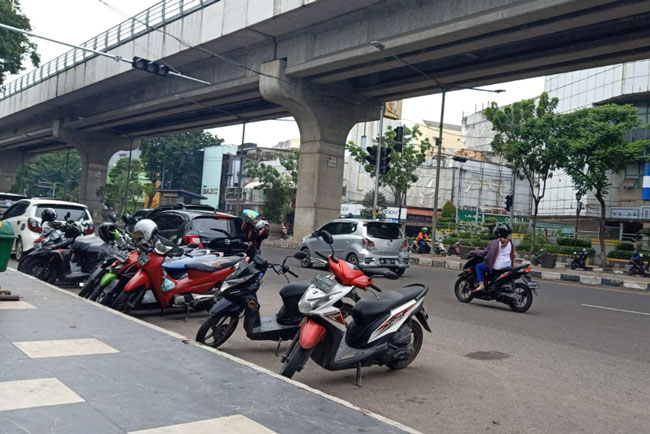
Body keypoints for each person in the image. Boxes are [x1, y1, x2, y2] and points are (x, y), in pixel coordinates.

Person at [473, 223, 514, 293]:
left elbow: (486, 253)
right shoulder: (510, 243)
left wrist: (475, 251)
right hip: (507, 266)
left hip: (497, 266)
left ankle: (481, 285)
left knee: (479, 266)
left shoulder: (494, 242)